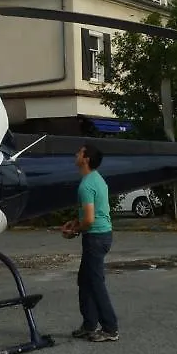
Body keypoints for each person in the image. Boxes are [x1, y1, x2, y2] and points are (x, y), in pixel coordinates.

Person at [61, 144, 119, 342]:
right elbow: (93, 214)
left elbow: (90, 219)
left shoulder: (86, 185)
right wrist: (76, 222)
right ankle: (89, 325)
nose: (76, 154)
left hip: (95, 237)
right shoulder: (97, 179)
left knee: (95, 282)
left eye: (79, 152)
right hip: (101, 235)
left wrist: (74, 230)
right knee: (85, 280)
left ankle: (110, 328)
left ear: (85, 159)